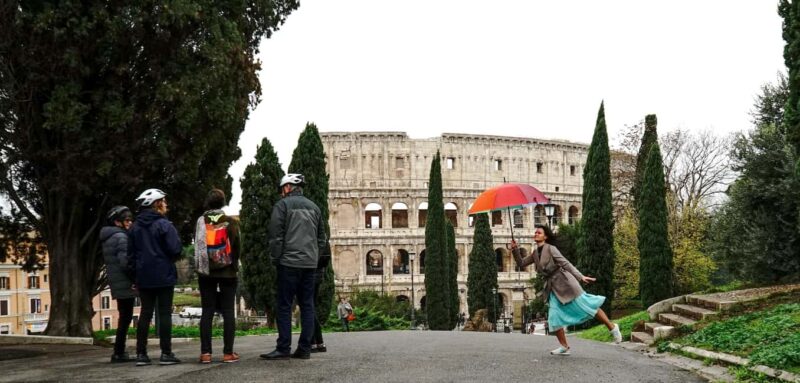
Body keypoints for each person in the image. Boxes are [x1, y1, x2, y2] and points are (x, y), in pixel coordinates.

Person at [511, 225, 621, 355]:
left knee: (587, 305)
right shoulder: (535, 253)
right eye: (535, 232)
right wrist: (515, 249)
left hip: (566, 283)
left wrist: (580, 276)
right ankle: (564, 346)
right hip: (552, 287)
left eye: (539, 232)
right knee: (554, 317)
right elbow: (521, 263)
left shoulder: (551, 249)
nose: (536, 234)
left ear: (545, 236)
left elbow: (565, 263)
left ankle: (612, 327)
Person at [261, 174, 326, 360]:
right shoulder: (315, 207)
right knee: (307, 305)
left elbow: (276, 236)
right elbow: (322, 238)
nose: (282, 192)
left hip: (288, 263)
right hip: (309, 265)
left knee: (284, 305)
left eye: (283, 188)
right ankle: (305, 349)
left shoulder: (282, 206)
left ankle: (283, 348)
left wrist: (277, 258)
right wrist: (313, 256)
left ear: (288, 187)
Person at [129, 188, 183, 366]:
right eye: (164, 201)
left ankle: (141, 354)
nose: (166, 204)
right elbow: (175, 249)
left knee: (145, 313)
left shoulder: (134, 227)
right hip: (164, 274)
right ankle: (166, 353)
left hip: (143, 276)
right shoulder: (164, 225)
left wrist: (134, 277)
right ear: (156, 204)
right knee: (165, 313)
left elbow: (130, 256)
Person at [195, 189, 241, 364]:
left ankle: (206, 353)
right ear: (223, 203)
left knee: (207, 311)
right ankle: (228, 353)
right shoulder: (231, 222)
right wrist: (234, 266)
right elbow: (237, 247)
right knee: (228, 312)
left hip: (206, 272)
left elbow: (198, 246)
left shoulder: (200, 222)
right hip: (228, 272)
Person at [100, 205, 137, 363]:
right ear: (117, 222)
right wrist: (135, 279)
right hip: (125, 283)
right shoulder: (121, 237)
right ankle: (119, 352)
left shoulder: (109, 237)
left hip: (117, 282)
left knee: (124, 317)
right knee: (126, 317)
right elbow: (125, 263)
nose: (130, 223)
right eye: (126, 220)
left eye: (130, 220)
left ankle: (119, 351)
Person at [310, 241, 332, 353]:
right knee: (311, 307)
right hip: (319, 273)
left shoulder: (308, 231)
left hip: (309, 271)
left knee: (308, 307)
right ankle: (319, 342)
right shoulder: (321, 234)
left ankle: (313, 342)